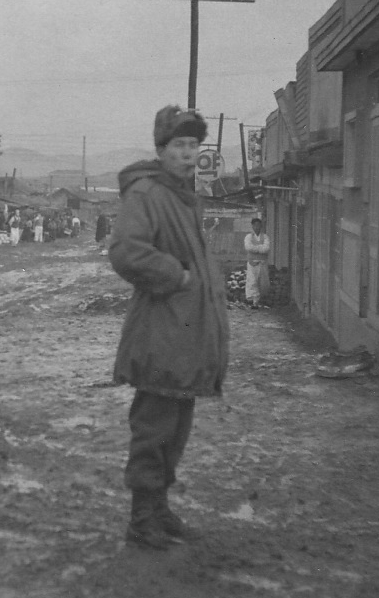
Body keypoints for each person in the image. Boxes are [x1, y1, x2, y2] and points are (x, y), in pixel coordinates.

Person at [108, 104, 230, 550]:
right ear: (160, 150)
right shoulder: (148, 193)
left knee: (174, 431)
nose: (188, 153)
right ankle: (142, 517)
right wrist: (175, 277)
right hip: (162, 334)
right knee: (154, 428)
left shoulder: (180, 194)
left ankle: (158, 509)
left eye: (194, 144)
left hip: (184, 337)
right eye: (178, 145)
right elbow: (125, 250)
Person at [244, 217, 271, 308]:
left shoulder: (265, 237)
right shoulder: (248, 237)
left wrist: (255, 248)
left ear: (261, 226)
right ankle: (254, 302)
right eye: (255, 225)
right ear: (252, 226)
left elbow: (266, 248)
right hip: (252, 262)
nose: (257, 227)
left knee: (263, 282)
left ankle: (260, 300)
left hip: (262, 262)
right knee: (252, 281)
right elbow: (248, 247)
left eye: (258, 225)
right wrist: (260, 248)